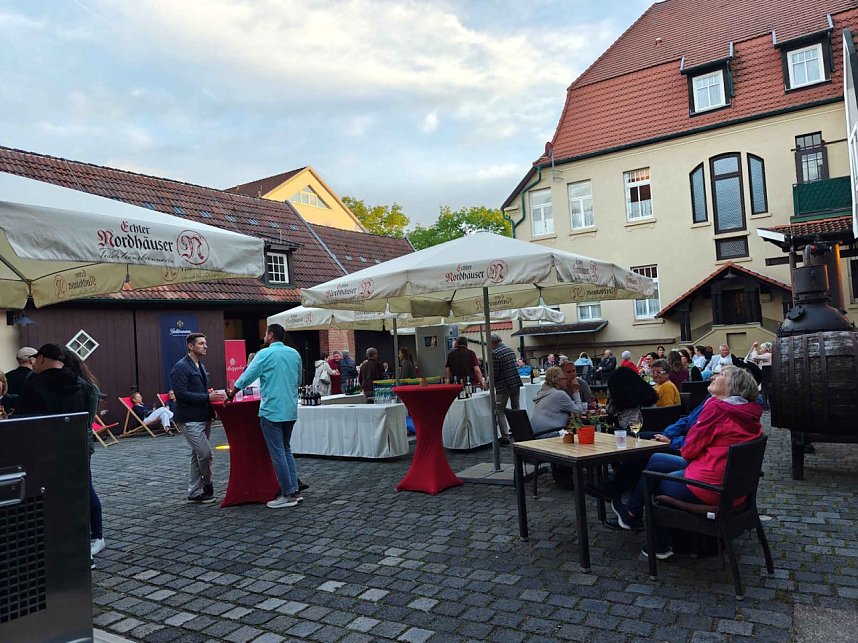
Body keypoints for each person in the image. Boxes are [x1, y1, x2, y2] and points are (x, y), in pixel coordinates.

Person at [612, 366, 762, 560]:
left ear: (733, 386)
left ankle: (660, 543)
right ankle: (632, 513)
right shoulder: (748, 412)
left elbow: (689, 450)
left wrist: (681, 443)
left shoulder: (717, 408)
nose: (715, 376)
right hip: (732, 488)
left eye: (722, 375)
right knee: (656, 459)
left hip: (708, 487)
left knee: (653, 478)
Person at [18, 344, 103, 566]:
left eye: (36, 360)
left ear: (44, 359)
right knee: (76, 500)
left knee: (46, 504)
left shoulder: (35, 384)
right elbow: (86, 421)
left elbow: (24, 421)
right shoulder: (83, 385)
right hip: (75, 450)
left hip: (44, 451)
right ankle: (84, 553)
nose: (34, 364)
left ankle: (49, 554)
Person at [227, 323, 303, 509]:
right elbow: (299, 380)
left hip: (272, 409)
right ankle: (293, 489)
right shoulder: (295, 354)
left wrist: (231, 393)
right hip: (290, 408)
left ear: (270, 335)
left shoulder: (264, 354)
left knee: (278, 451)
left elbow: (247, 376)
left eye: (266, 333)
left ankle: (288, 494)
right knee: (286, 449)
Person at [170, 332, 225, 504]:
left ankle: (194, 492)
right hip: (189, 418)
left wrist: (208, 395)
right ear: (191, 346)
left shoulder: (199, 365)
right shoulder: (181, 367)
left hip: (203, 416)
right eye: (201, 343)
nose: (205, 346)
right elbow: (180, 394)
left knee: (197, 455)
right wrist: (207, 397)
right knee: (205, 453)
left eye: (205, 343)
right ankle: (208, 484)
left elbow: (198, 391)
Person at [531, 366, 586, 434]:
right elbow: (578, 411)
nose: (566, 380)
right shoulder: (559, 394)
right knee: (583, 435)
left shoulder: (543, 392)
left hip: (537, 432)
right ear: (557, 380)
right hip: (550, 433)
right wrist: (576, 391)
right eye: (564, 378)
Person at [491, 334, 523, 446]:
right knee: (516, 409)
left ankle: (505, 437)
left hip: (503, 386)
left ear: (493, 343)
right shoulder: (510, 350)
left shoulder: (495, 354)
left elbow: (495, 373)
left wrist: (489, 384)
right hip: (515, 382)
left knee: (499, 410)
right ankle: (518, 432)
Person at [606, 365, 657, 429]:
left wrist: (610, 398)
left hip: (630, 434)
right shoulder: (647, 396)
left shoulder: (624, 406)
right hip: (653, 433)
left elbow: (610, 411)